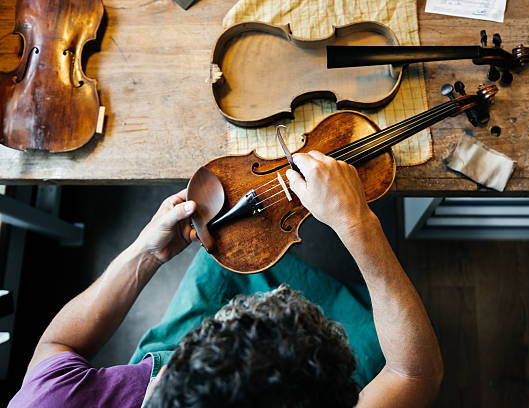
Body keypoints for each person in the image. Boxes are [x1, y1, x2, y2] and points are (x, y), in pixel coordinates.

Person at [8, 151, 443, 408]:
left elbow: (57, 348)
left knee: (231, 253)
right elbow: (413, 372)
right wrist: (356, 224)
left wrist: (147, 253)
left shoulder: (47, 404)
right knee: (384, 342)